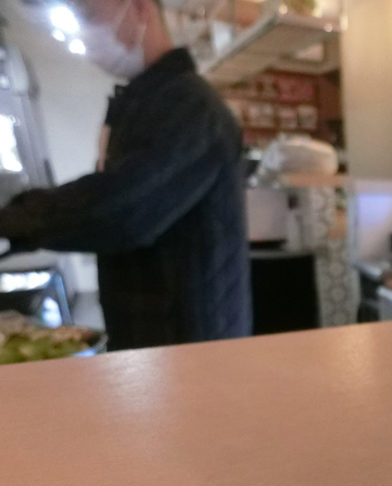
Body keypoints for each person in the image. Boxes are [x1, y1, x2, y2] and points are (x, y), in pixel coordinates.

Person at [0, 0, 250, 350]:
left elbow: (120, 210)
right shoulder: (142, 101)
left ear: (139, 8)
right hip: (155, 336)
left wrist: (14, 220)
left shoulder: (191, 104)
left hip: (191, 344)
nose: (85, 33)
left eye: (89, 16)